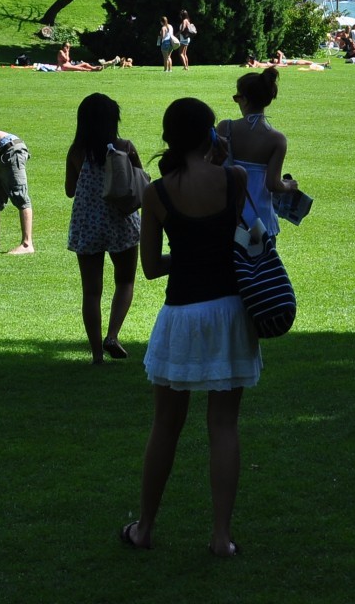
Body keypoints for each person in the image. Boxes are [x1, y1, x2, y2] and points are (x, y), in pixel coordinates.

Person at [122, 98, 257, 558]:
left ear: (168, 137)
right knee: (223, 425)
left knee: (165, 425)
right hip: (230, 310)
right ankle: (221, 536)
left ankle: (145, 527)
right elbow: (251, 239)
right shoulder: (234, 179)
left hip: (182, 313)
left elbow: (151, 267)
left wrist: (190, 254)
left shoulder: (156, 193)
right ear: (209, 135)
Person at [66, 93, 141, 363]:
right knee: (125, 281)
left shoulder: (77, 152)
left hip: (87, 224)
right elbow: (140, 182)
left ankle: (97, 355)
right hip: (121, 221)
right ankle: (112, 335)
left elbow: (69, 190)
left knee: (91, 291)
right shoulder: (125, 146)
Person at [224, 67, 297, 245]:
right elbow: (273, 184)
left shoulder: (226, 128)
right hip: (261, 220)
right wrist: (289, 186)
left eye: (237, 97)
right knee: (261, 272)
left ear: (245, 100)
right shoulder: (277, 139)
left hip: (228, 217)